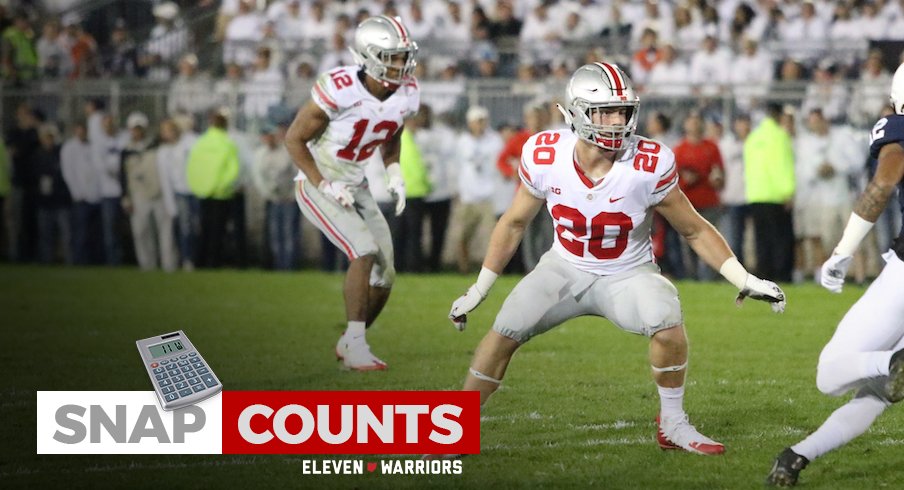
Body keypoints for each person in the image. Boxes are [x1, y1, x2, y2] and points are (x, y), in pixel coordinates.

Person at [440, 63, 786, 458]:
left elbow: (694, 228)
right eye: (604, 111)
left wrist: (742, 277)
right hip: (563, 268)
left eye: (622, 110)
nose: (616, 121)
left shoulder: (649, 162)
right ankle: (455, 430)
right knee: (503, 331)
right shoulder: (544, 152)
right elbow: (514, 222)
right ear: (574, 112)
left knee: (667, 322)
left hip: (628, 273)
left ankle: (672, 423)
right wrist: (480, 287)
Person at [765, 64, 904, 487]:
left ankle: (893, 362)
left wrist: (843, 250)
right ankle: (797, 455)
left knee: (831, 374)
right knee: (879, 391)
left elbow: (884, 181)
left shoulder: (896, 126)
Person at [284, 15, 419, 371]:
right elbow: (294, 139)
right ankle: (357, 344)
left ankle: (351, 341)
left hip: (356, 183)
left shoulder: (405, 92)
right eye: (392, 57)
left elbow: (392, 132)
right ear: (368, 56)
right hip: (319, 180)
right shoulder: (339, 87)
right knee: (364, 249)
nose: (400, 64)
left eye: (403, 56)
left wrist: (393, 170)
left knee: (386, 273)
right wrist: (323, 183)